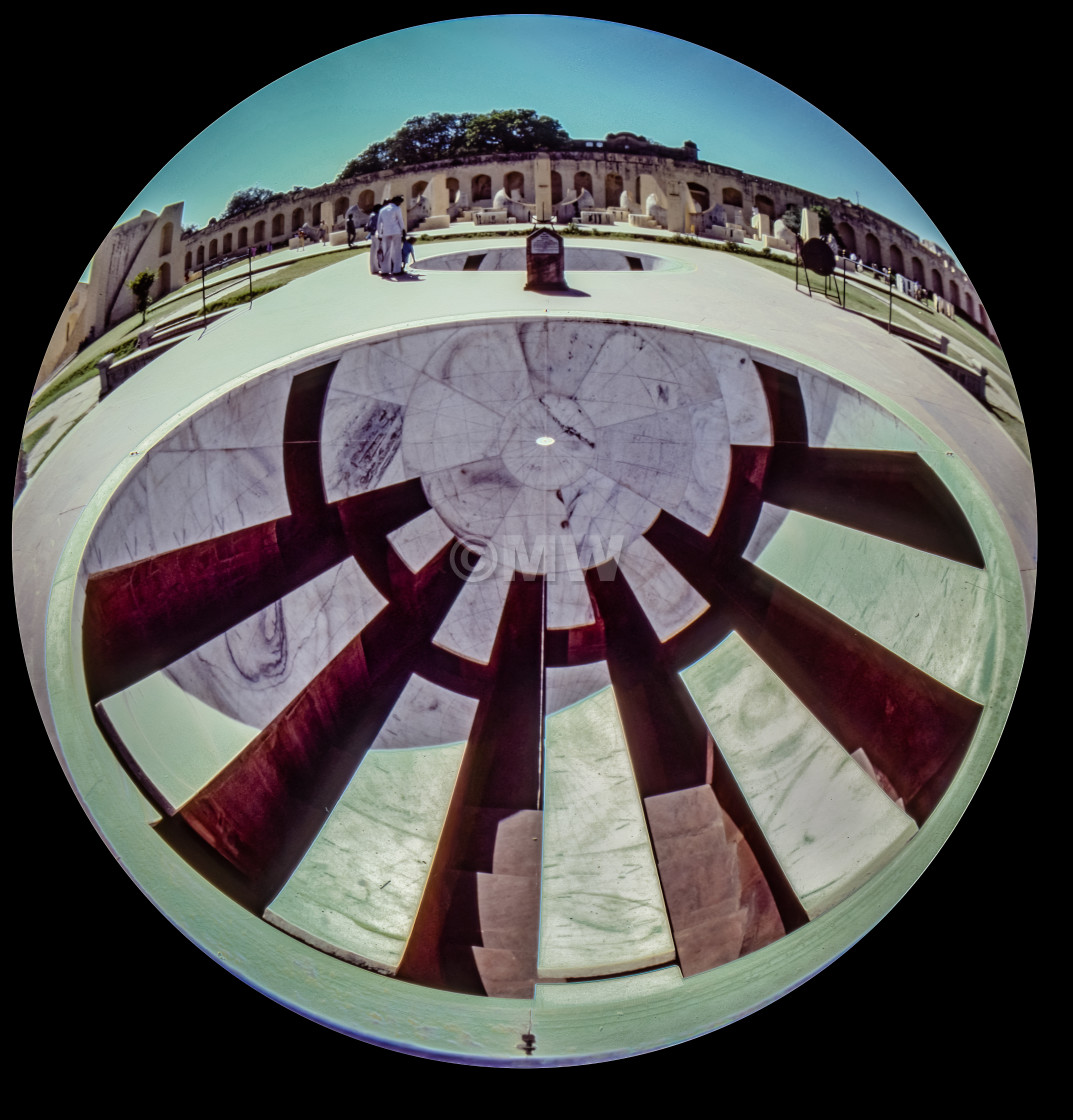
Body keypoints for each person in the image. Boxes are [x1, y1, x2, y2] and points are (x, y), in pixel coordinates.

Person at [377, 195, 406, 277]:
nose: (400, 204)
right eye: (400, 202)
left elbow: (379, 223)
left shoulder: (382, 210)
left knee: (386, 251)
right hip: (396, 231)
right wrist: (403, 229)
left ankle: (384, 270)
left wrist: (379, 234)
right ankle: (397, 270)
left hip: (386, 232)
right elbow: (400, 219)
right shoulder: (397, 208)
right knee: (397, 251)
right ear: (396, 201)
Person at [366, 204, 383, 274]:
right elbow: (372, 226)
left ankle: (374, 268)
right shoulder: (374, 215)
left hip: (373, 235)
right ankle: (376, 268)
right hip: (376, 235)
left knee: (374, 252)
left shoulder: (372, 215)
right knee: (376, 251)